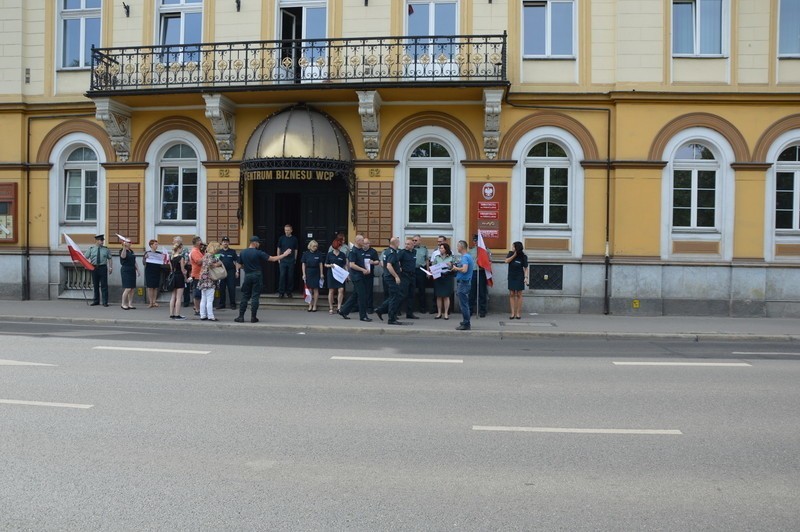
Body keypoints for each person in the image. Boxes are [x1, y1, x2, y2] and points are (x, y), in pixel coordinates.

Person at [235, 236, 291, 323]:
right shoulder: (258, 252)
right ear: (255, 243)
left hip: (248, 275)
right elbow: (272, 259)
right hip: (257, 275)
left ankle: (241, 317)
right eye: (258, 243)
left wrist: (244, 268)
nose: (259, 244)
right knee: (255, 296)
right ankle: (253, 317)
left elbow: (239, 265)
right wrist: (284, 254)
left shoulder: (243, 252)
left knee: (245, 296)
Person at [338, 235, 371, 322]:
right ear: (357, 241)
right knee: (362, 296)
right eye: (362, 241)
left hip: (361, 275)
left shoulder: (361, 250)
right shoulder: (353, 251)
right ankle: (363, 316)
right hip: (357, 276)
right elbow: (352, 265)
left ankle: (343, 311)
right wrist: (363, 269)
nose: (363, 242)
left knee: (355, 295)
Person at [374, 236, 404, 325]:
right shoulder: (392, 253)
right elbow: (389, 266)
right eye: (398, 242)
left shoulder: (387, 251)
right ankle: (391, 318)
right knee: (394, 297)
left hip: (388, 277)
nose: (399, 243)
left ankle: (380, 310)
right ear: (396, 243)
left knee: (394, 296)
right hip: (391, 278)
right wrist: (396, 276)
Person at [452, 240, 474, 331]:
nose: (457, 248)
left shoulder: (465, 257)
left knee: (464, 304)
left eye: (458, 246)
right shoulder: (468, 256)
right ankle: (466, 321)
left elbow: (464, 270)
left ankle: (466, 323)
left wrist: (455, 268)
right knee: (464, 303)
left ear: (461, 247)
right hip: (466, 282)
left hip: (463, 282)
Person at [198, 241, 222, 321]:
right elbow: (211, 264)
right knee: (210, 299)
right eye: (217, 248)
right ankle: (211, 316)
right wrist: (218, 264)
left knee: (203, 298)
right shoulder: (211, 256)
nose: (218, 250)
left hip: (203, 278)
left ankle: (202, 315)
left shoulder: (205, 255)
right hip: (209, 279)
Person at [85, 234, 112, 307]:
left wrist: (110, 267)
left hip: (103, 267)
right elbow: (85, 257)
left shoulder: (106, 249)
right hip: (94, 268)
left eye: (103, 240)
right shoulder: (91, 249)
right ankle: (96, 301)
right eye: (101, 240)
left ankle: (105, 302)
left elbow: (109, 258)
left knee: (104, 285)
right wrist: (87, 265)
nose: (102, 242)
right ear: (97, 241)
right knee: (95, 285)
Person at [505, 241, 529, 320]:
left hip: (519, 276)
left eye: (513, 246)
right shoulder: (511, 253)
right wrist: (514, 255)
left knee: (519, 294)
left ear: (517, 248)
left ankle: (518, 313)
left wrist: (526, 277)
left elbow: (525, 268)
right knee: (511, 293)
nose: (512, 248)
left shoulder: (523, 256)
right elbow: (506, 261)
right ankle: (512, 313)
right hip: (511, 276)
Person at [431, 242, 455, 320]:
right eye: (440, 248)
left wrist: (450, 265)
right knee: (438, 296)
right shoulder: (437, 257)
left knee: (446, 296)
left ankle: (446, 313)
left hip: (447, 277)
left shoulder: (451, 257)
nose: (440, 249)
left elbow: (454, 267)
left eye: (442, 248)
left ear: (445, 249)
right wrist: (433, 270)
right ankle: (439, 313)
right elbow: (433, 265)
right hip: (438, 277)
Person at [216, 236, 240, 310]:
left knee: (231, 288)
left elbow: (236, 262)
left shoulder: (232, 251)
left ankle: (232, 304)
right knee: (222, 288)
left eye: (226, 242)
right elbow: (216, 262)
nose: (225, 243)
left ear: (228, 243)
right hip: (222, 272)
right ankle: (222, 304)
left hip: (231, 272)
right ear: (222, 243)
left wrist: (237, 271)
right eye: (224, 242)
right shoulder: (219, 252)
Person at [469, 234, 490, 318]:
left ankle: (482, 310)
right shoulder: (471, 251)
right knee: (472, 291)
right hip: (473, 271)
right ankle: (470, 309)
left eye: (477, 241)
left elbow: (489, 261)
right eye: (474, 241)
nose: (475, 242)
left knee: (482, 292)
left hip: (482, 271)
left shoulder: (486, 250)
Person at [398, 237, 419, 319]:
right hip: (404, 275)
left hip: (412, 275)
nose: (406, 245)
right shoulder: (402, 252)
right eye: (405, 244)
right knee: (402, 295)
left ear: (413, 245)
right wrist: (399, 268)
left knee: (411, 295)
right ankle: (396, 311)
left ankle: (409, 313)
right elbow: (396, 261)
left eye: (408, 244)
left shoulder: (414, 252)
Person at [325, 238, 347, 314]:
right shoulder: (329, 254)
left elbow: (345, 265)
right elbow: (325, 264)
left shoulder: (342, 254)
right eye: (340, 245)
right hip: (331, 274)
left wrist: (347, 274)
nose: (341, 247)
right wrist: (330, 265)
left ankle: (339, 307)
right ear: (336, 246)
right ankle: (331, 307)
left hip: (340, 274)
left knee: (341, 289)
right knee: (331, 290)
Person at [277, 224, 298, 298]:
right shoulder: (281, 238)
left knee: (290, 276)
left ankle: (289, 292)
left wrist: (295, 259)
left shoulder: (294, 239)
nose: (286, 232)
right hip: (283, 260)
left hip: (291, 260)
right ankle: (281, 292)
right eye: (285, 230)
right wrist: (278, 258)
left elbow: (296, 250)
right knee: (282, 276)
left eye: (288, 230)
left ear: (291, 230)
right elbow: (278, 248)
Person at [142, 239, 165, 308]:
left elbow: (162, 262)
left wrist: (164, 258)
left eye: (157, 244)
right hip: (149, 271)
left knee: (155, 287)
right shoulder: (147, 253)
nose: (156, 246)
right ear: (151, 245)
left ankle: (154, 301)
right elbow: (143, 263)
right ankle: (150, 302)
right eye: (155, 244)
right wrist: (145, 258)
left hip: (157, 271)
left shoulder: (159, 253)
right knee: (150, 287)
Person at [301, 240, 322, 312]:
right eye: (314, 246)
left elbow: (320, 264)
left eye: (316, 246)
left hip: (316, 272)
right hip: (308, 272)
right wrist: (304, 274)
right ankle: (310, 305)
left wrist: (322, 273)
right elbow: (303, 264)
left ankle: (315, 305)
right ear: (310, 246)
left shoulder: (319, 254)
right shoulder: (306, 254)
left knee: (316, 289)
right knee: (309, 290)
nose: (315, 248)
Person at [118, 237, 139, 310]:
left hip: (132, 270)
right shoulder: (122, 250)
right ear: (125, 243)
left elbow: (134, 261)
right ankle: (123, 304)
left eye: (130, 242)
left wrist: (138, 270)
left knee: (132, 288)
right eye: (129, 242)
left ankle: (130, 303)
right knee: (128, 288)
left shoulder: (131, 251)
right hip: (126, 270)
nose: (130, 243)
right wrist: (124, 247)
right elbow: (123, 256)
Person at [428, 235, 448, 313]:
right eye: (438, 241)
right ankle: (435, 308)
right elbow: (432, 263)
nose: (439, 243)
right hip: (437, 274)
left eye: (441, 241)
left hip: (446, 275)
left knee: (446, 294)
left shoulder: (450, 252)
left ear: (445, 242)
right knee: (437, 293)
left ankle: (446, 310)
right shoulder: (435, 252)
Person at [168, 241, 187, 320]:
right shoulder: (180, 258)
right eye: (181, 248)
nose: (182, 250)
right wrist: (186, 277)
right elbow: (183, 270)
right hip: (179, 277)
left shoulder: (171, 257)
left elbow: (171, 269)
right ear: (179, 248)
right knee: (179, 297)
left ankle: (171, 314)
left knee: (173, 296)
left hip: (173, 277)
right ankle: (177, 314)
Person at [412, 234, 429, 314]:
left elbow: (427, 261)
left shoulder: (424, 249)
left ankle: (422, 308)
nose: (414, 242)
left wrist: (428, 272)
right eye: (413, 240)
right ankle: (411, 308)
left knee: (422, 290)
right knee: (411, 290)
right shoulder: (410, 248)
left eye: (416, 240)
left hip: (421, 270)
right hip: (411, 270)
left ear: (420, 241)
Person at [362, 237, 380, 314]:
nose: (364, 245)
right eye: (363, 243)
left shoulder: (373, 251)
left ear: (369, 244)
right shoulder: (359, 251)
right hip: (360, 274)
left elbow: (377, 261)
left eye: (366, 243)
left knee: (369, 291)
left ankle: (369, 307)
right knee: (360, 291)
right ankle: (361, 306)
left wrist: (373, 262)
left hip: (369, 274)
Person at [188, 236, 204, 316]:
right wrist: (206, 257)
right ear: (197, 242)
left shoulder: (198, 250)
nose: (201, 242)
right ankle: (197, 309)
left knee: (199, 292)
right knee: (197, 293)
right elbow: (198, 262)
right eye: (200, 240)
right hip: (197, 275)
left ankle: (199, 308)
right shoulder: (195, 251)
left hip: (200, 274)